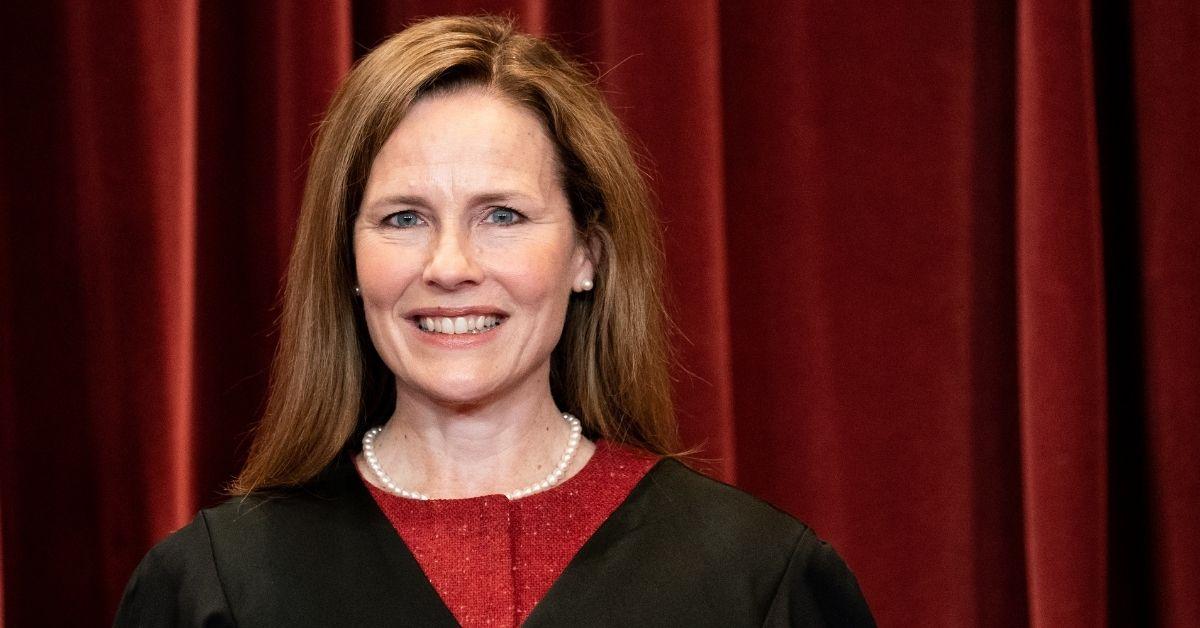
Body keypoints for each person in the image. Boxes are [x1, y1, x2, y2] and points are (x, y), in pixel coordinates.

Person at [114, 15, 874, 628]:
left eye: (502, 215)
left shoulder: (760, 582)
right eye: (404, 217)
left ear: (587, 255)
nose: (449, 266)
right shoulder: (211, 591)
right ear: (347, 261)